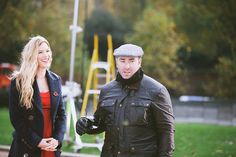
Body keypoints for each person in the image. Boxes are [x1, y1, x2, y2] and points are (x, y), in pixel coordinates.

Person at [76, 44, 175, 157]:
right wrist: (87, 123)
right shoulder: (107, 90)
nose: (126, 66)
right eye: (122, 61)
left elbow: (166, 131)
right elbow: (101, 123)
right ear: (116, 62)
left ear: (139, 62)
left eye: (131, 61)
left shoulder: (157, 90)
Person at [8, 35, 66, 157]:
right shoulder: (18, 82)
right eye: (40, 52)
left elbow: (61, 115)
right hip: (28, 145)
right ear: (32, 55)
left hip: (51, 147)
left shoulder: (56, 80)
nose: (46, 55)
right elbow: (16, 119)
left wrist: (57, 139)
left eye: (47, 51)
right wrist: (37, 141)